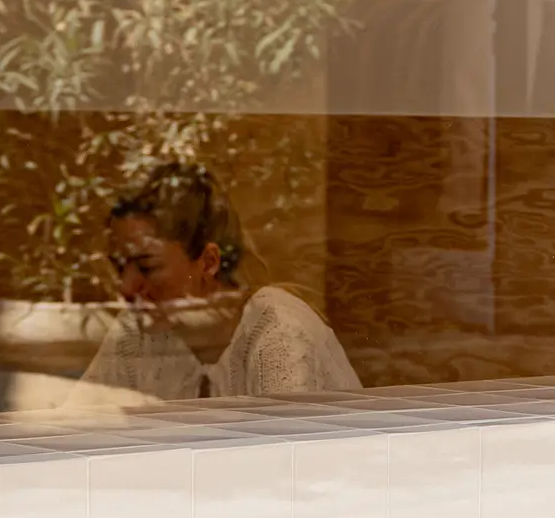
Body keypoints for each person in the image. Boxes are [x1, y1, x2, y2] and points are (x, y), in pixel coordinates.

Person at [72, 162, 361, 403]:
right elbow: (76, 428)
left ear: (208, 262)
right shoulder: (134, 332)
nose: (126, 287)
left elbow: (285, 452)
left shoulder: (280, 332)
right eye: (119, 266)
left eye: (148, 266)